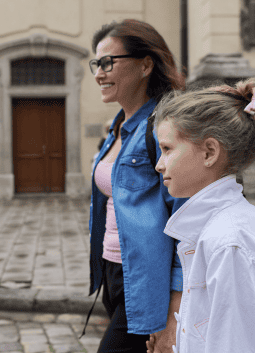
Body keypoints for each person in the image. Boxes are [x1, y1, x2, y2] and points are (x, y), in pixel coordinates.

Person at [87, 19, 188, 352]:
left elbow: (185, 217)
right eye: (96, 64)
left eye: (108, 63)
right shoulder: (119, 126)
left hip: (146, 277)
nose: (99, 73)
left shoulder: (162, 129)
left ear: (146, 64)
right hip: (113, 270)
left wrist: (174, 311)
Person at [145, 80, 255, 353]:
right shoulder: (210, 231)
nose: (159, 164)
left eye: (168, 149)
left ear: (209, 152)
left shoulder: (228, 242)